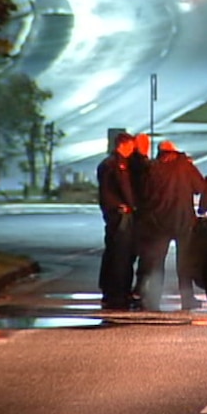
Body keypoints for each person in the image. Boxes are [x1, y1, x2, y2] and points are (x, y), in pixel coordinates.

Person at [135, 140, 205, 311]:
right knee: (184, 262)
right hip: (183, 220)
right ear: (174, 151)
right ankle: (187, 298)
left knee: (157, 262)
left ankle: (154, 299)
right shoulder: (185, 166)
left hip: (159, 222)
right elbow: (200, 187)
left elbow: (144, 193)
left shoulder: (153, 167)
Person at [96, 132, 138, 310]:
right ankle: (118, 293)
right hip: (120, 215)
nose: (132, 150)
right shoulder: (117, 165)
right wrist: (133, 205)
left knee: (113, 253)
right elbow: (124, 187)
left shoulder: (107, 163)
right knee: (121, 255)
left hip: (113, 213)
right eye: (131, 146)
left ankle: (111, 290)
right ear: (123, 145)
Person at [127, 132, 151, 305]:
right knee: (144, 255)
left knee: (131, 255)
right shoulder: (142, 164)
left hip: (136, 214)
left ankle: (130, 289)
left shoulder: (129, 162)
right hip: (142, 215)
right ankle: (138, 289)